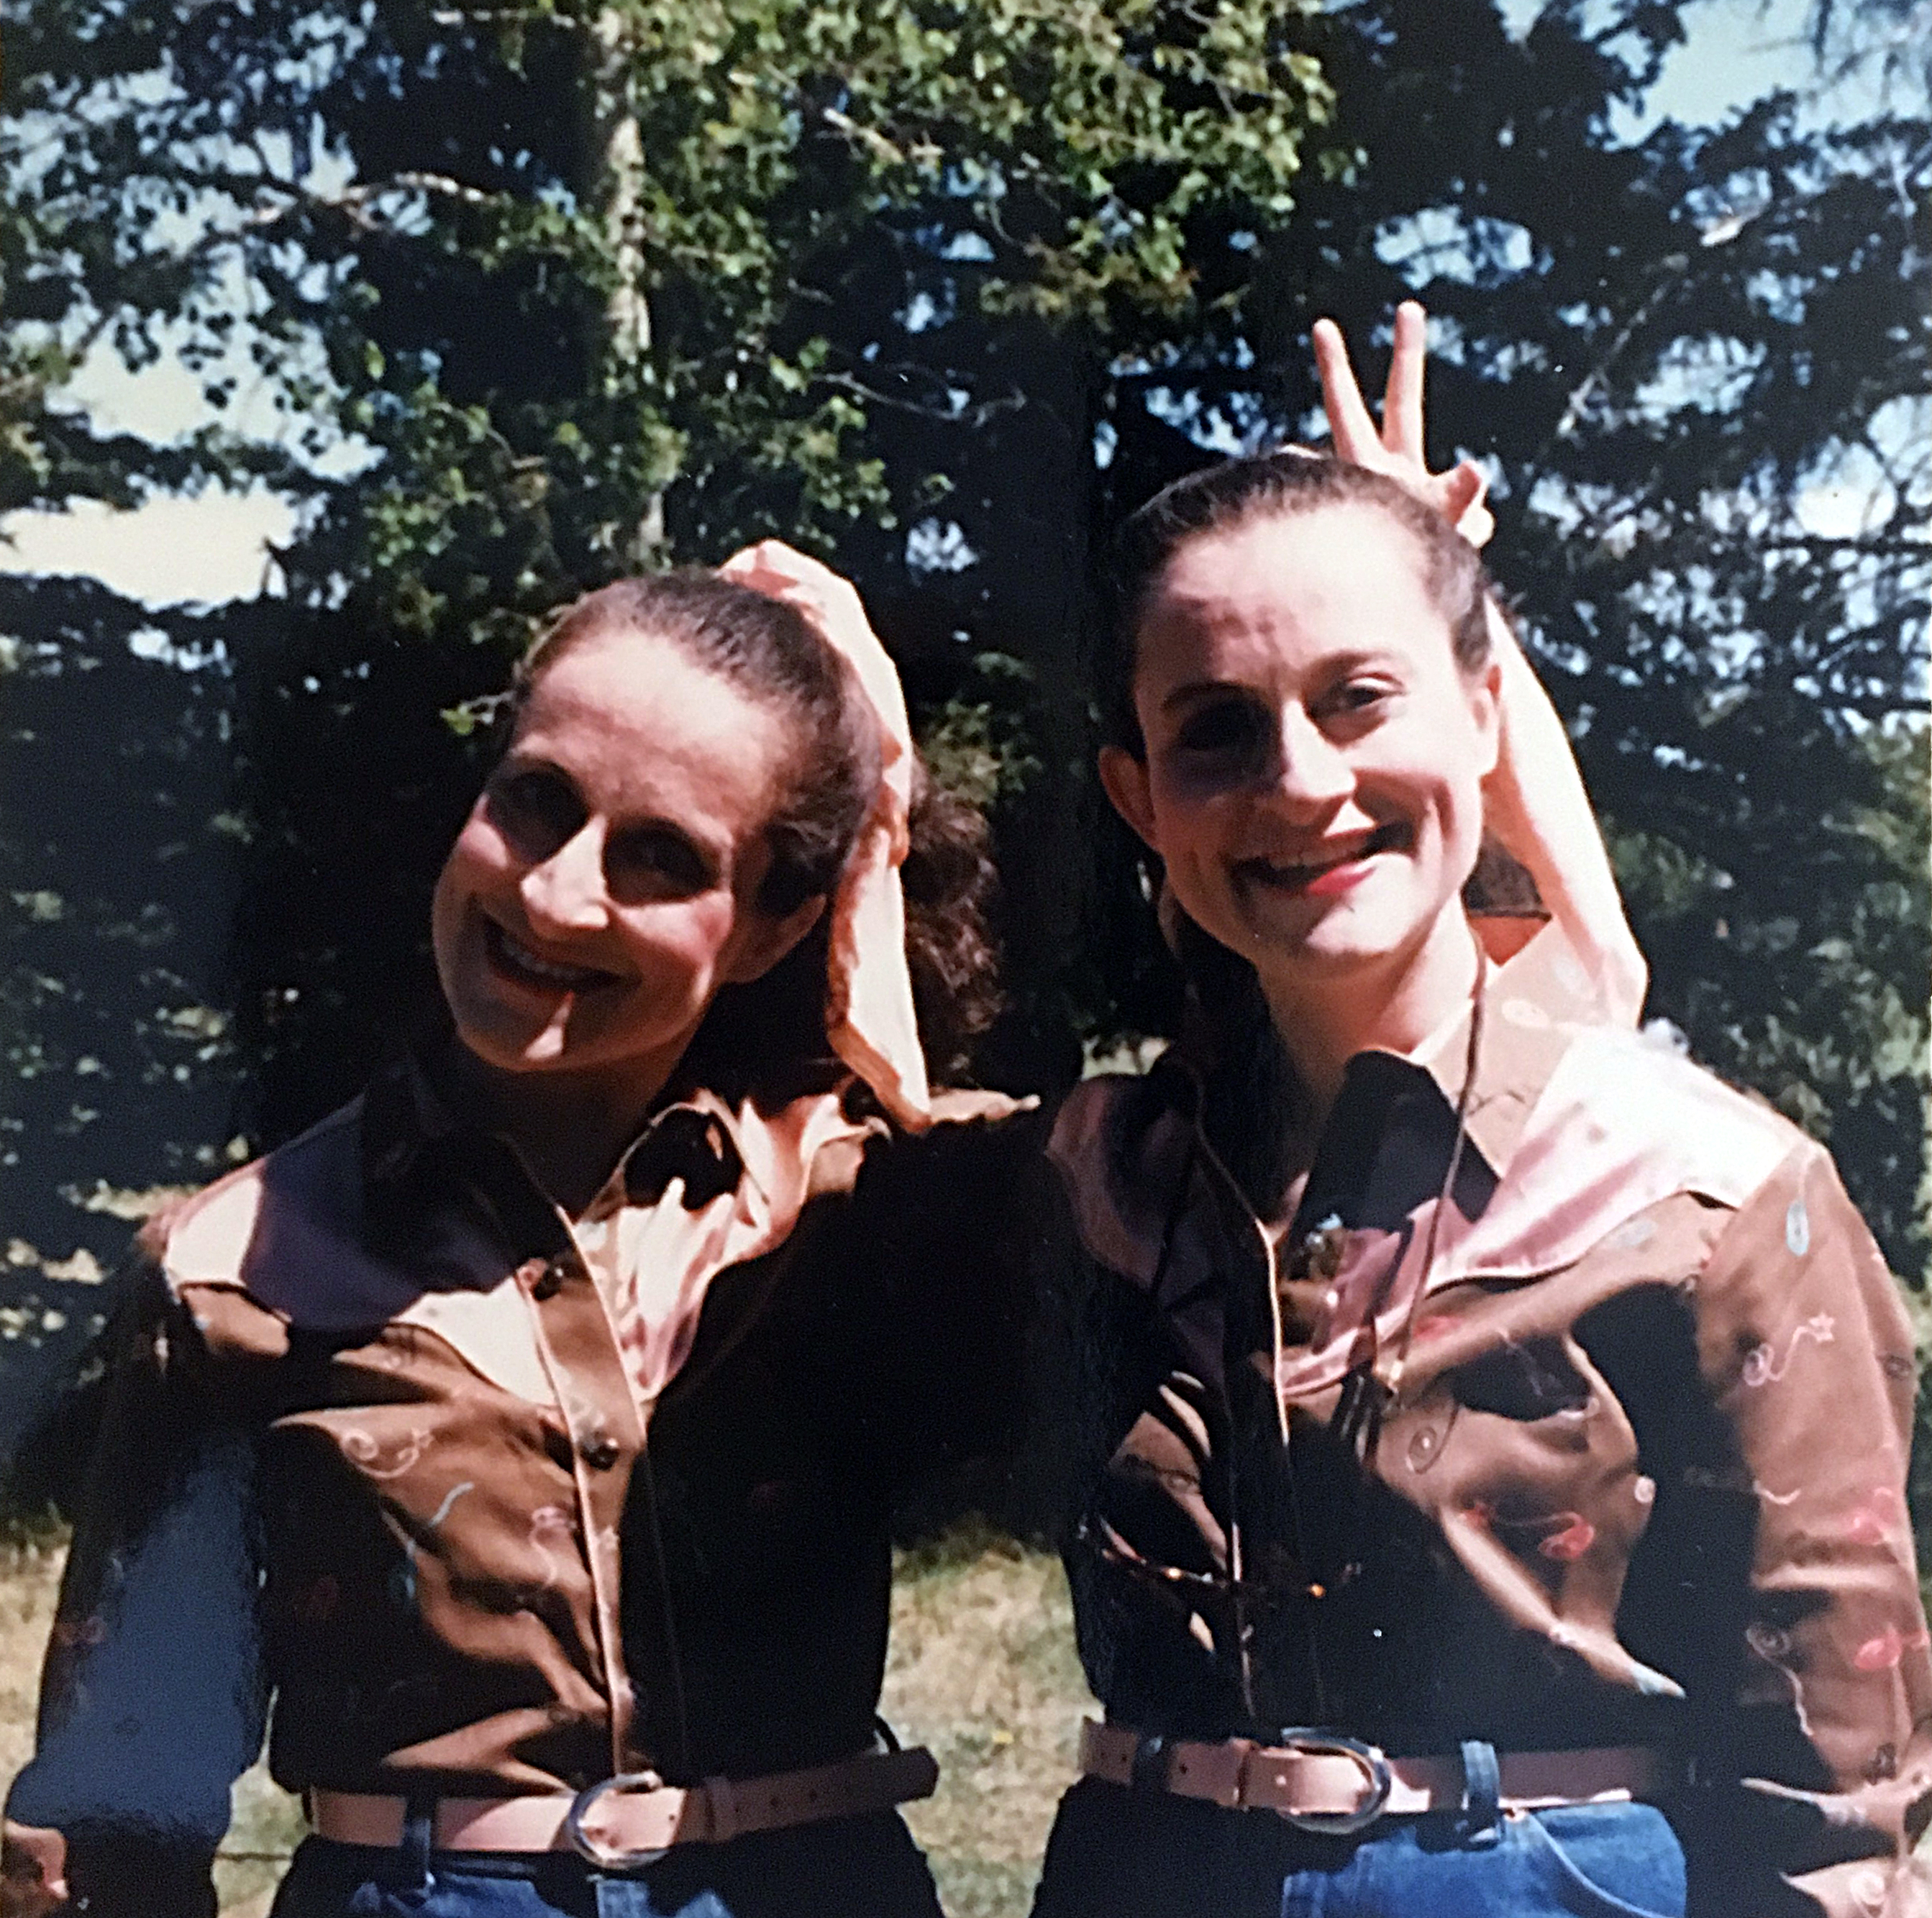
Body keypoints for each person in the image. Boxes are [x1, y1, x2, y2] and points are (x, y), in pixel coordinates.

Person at [1032, 306, 1931, 1918]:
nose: (1298, 778)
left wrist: (1427, 567)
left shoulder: (1703, 1194)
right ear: (1136, 796)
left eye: (1356, 695)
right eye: (1214, 726)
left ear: (1479, 713)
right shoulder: (1104, 1175)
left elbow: (1834, 1805)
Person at [1, 552, 1046, 1918]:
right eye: (535, 802)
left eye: (661, 857)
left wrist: (882, 838)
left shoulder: (859, 1205)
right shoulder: (233, 1266)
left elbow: (1257, 1160)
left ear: (778, 924)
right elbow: (117, 1808)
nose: (557, 896)